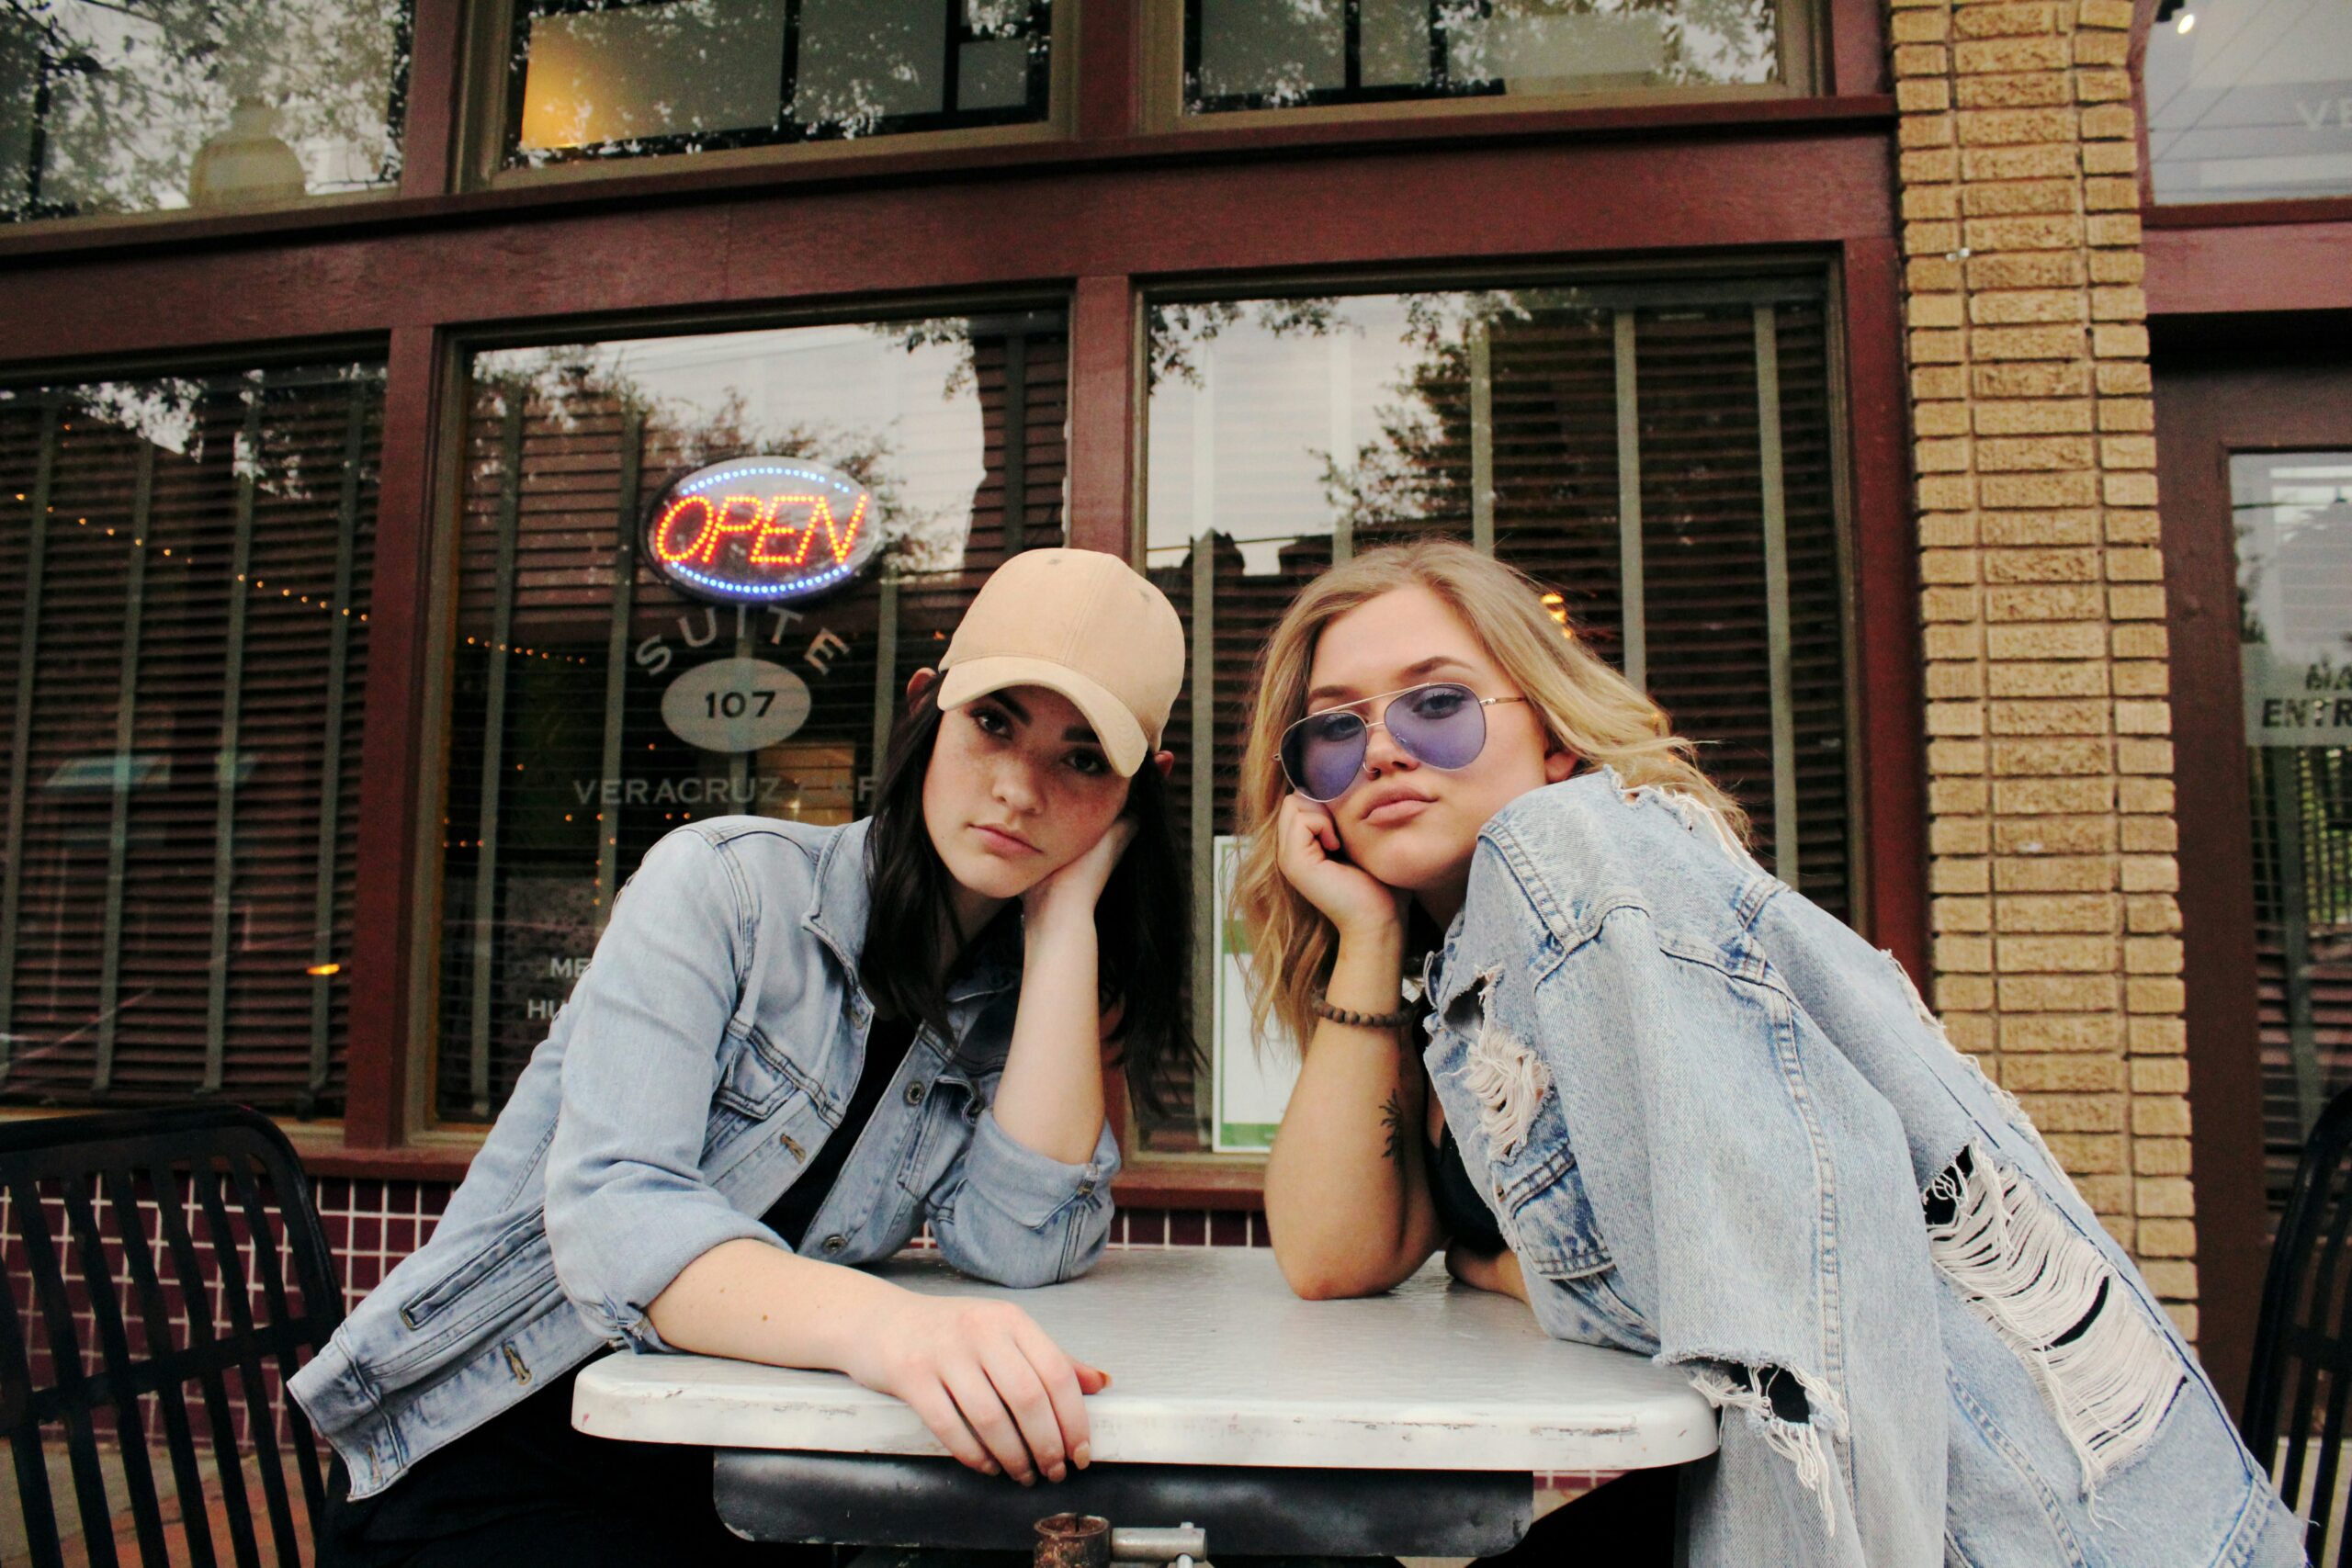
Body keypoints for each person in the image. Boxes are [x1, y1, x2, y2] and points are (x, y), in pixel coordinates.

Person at [1238, 540, 2301, 1568]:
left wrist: (1491, 1263)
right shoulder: (1468, 983)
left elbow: (1756, 1298)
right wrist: (1368, 937)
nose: (1382, 751)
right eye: (1334, 729)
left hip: (1987, 1527)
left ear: (1553, 739)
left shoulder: (1581, 862)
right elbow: (1335, 1259)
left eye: (1437, 704)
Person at [296, 547, 1191, 1568]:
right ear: (925, 708)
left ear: (1137, 795)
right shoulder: (724, 888)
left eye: (1084, 761)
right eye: (993, 722)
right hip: (485, 1469)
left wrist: (1066, 921)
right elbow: (617, 1215)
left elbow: (1021, 1246)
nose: (1019, 790)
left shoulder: (1009, 1003)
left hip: (737, 1480)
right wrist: (894, 1330)